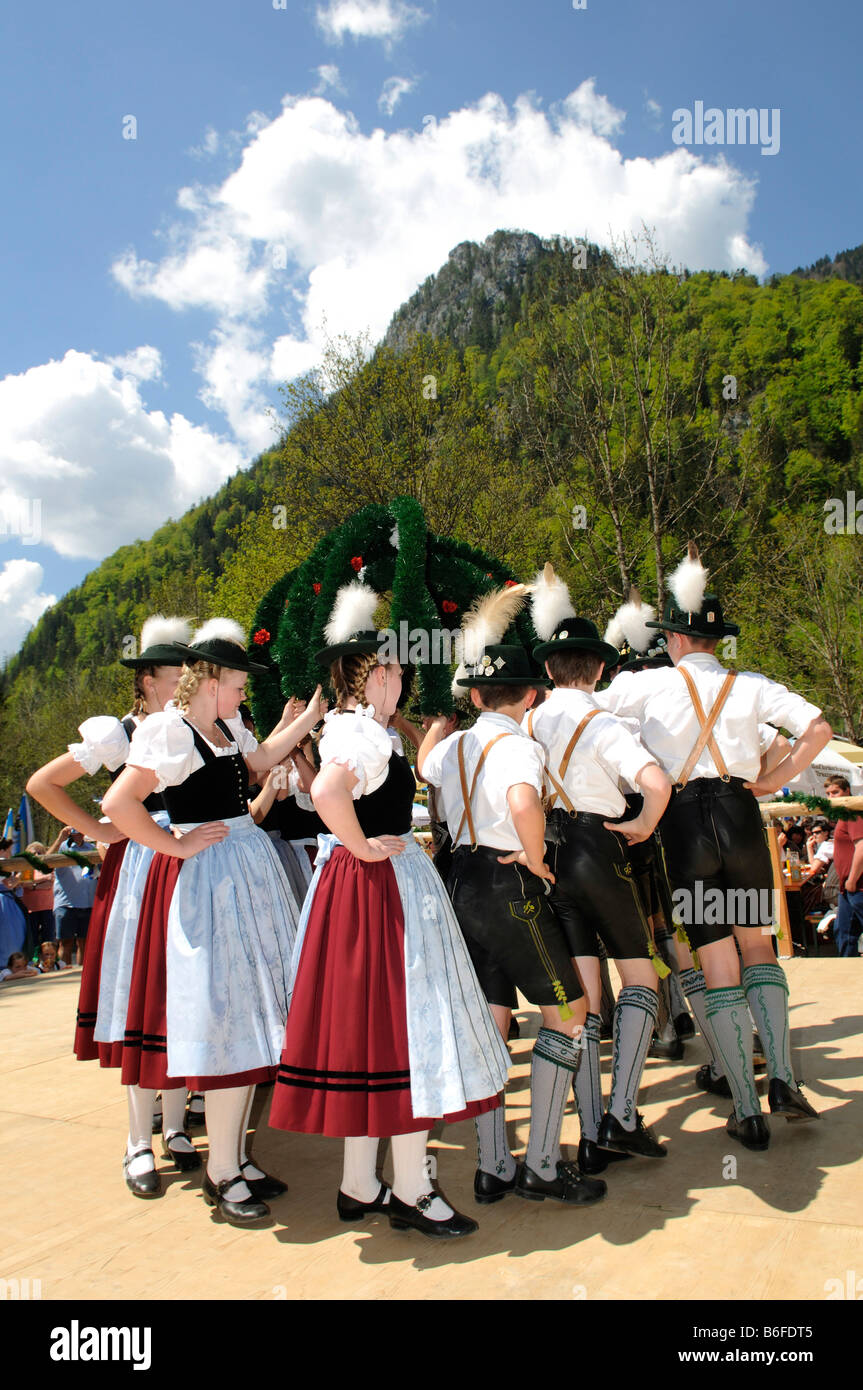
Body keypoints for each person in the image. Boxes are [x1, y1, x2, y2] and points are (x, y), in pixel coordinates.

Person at [269, 581, 511, 1238]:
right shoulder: (361, 736)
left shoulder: (367, 731)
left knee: (379, 1037)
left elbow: (327, 788)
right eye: (392, 669)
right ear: (365, 677)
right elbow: (325, 789)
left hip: (368, 888)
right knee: (409, 1032)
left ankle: (358, 1182)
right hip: (376, 892)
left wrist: (360, 851)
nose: (401, 678)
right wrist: (362, 850)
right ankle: (409, 1190)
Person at [599, 544, 833, 1151]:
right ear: (714, 641)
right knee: (758, 945)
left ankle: (747, 1108)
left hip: (683, 825)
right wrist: (775, 779)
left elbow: (582, 714)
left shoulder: (646, 686)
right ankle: (782, 1079)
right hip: (740, 813)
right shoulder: (751, 684)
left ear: (675, 639)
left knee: (716, 956)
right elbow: (819, 728)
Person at [103, 619, 323, 1225]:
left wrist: (307, 720)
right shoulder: (168, 731)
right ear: (210, 679)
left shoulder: (228, 726)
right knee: (230, 1018)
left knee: (251, 1019)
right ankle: (223, 1170)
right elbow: (119, 805)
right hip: (213, 883)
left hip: (246, 872)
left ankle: (231, 1158)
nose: (243, 695)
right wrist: (173, 847)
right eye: (237, 684)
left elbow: (258, 763)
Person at [418, 583, 606, 1209]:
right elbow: (524, 803)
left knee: (492, 1024)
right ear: (531, 695)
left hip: (458, 883)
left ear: (474, 696)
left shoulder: (454, 745)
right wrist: (536, 857)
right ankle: (545, 1165)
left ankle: (494, 1165)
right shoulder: (519, 744)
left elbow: (426, 771)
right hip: (508, 886)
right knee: (570, 1016)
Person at [26, 617, 201, 1191]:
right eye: (178, 674)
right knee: (141, 997)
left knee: (179, 998)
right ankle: (136, 1142)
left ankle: (174, 1127)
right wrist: (104, 832)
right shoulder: (120, 733)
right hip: (139, 875)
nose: (187, 683)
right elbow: (42, 784)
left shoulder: (200, 726)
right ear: (149, 679)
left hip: (189, 866)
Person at [523, 566, 673, 1171]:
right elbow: (654, 781)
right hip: (598, 848)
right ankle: (622, 1115)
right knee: (641, 980)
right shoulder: (604, 721)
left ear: (551, 669)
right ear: (601, 669)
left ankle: (589, 1133)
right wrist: (643, 824)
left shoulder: (527, 720)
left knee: (583, 999)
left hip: (548, 856)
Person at [824, 778, 863, 957]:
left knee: (845, 934)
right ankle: (849, 976)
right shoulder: (844, 814)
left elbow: (862, 847)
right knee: (844, 933)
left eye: (835, 792)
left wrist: (852, 879)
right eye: (828, 794)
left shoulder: (853, 811)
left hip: (858, 885)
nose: (831, 797)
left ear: (847, 791)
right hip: (848, 888)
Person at [49, 830, 97, 966]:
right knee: (66, 942)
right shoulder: (63, 846)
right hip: (66, 903)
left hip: (88, 902)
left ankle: (81, 973)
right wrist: (60, 838)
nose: (79, 832)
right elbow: (46, 861)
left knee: (85, 942)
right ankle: (64, 971)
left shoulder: (91, 848)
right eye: (75, 830)